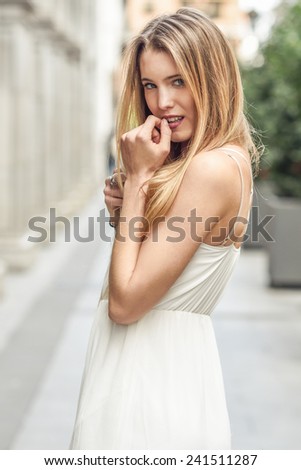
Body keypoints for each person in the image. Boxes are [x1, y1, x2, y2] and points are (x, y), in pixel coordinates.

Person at [70, 7, 260, 450]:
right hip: (153, 373)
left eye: (178, 81)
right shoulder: (212, 162)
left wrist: (137, 183)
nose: (161, 103)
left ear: (213, 79)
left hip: (150, 385)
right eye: (150, 85)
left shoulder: (211, 169)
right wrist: (128, 214)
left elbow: (126, 303)